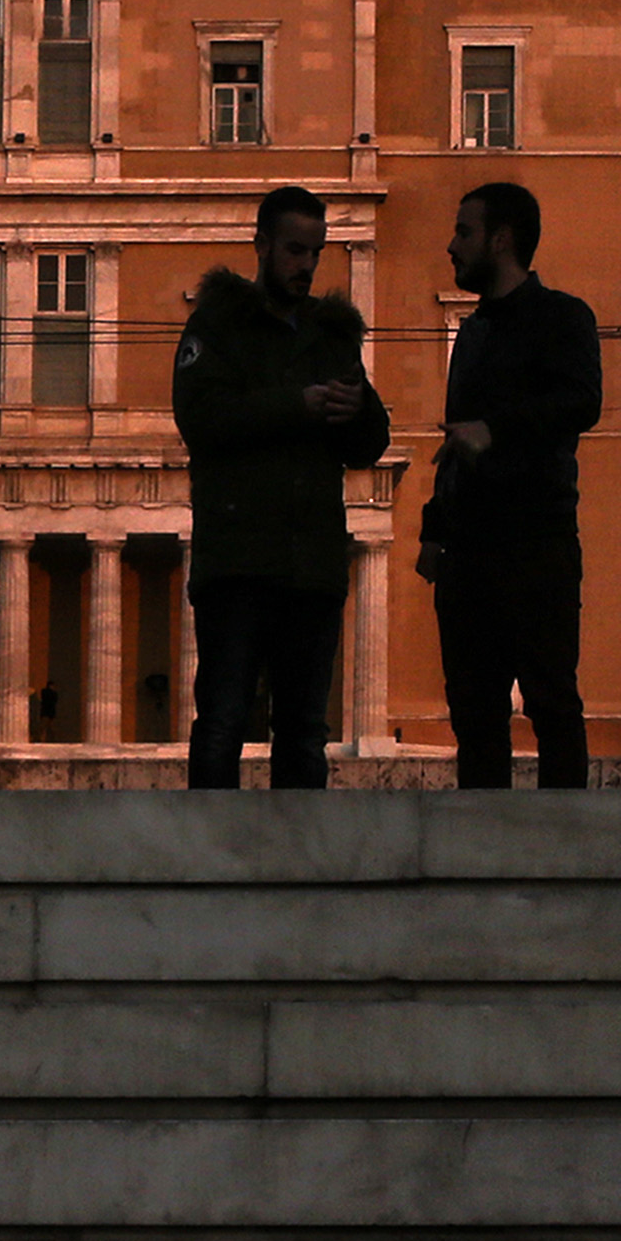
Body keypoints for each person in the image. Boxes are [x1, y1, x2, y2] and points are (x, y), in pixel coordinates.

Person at [172, 184, 390, 789]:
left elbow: (370, 444)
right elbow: (201, 418)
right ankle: (211, 846)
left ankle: (302, 848)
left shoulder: (331, 336)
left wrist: (358, 410)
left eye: (315, 253)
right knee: (222, 722)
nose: (306, 265)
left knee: (303, 731)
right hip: (237, 561)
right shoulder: (217, 326)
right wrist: (297, 405)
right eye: (295, 250)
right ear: (262, 246)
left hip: (310, 566)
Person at [419, 181, 604, 790]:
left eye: (463, 232)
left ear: (500, 240)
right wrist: (433, 532)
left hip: (535, 544)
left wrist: (495, 431)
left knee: (551, 702)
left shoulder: (564, 317)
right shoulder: (472, 333)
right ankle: (482, 839)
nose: (451, 246)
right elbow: (455, 441)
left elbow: (581, 402)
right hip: (467, 553)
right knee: (474, 717)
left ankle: (564, 838)